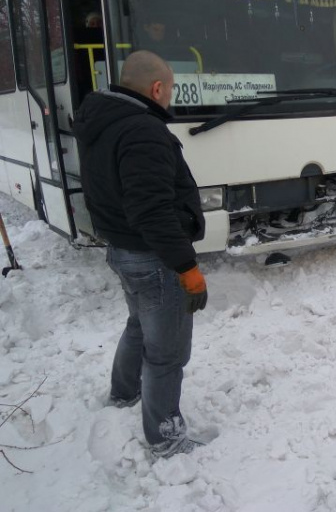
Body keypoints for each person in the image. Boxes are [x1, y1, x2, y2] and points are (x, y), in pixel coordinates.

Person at [73, 50, 208, 458]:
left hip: (123, 248)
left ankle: (123, 392)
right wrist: (187, 267)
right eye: (169, 90)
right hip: (154, 258)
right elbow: (151, 210)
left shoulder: (104, 122)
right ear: (157, 88)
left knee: (138, 325)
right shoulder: (143, 131)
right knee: (167, 353)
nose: (169, 98)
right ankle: (165, 438)